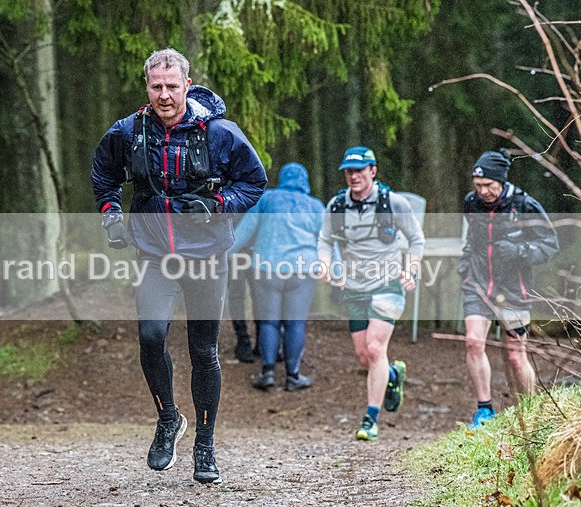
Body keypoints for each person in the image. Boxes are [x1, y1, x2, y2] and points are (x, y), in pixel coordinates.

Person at [91, 48, 267, 483]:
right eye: (157, 87)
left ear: (188, 85)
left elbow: (254, 180)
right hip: (154, 254)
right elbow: (102, 173)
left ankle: (205, 447)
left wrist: (217, 202)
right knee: (151, 337)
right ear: (147, 87)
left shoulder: (219, 132)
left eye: (172, 86)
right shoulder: (129, 132)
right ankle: (168, 418)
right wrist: (112, 214)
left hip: (207, 256)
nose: (164, 95)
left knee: (203, 350)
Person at [317, 146, 424, 441]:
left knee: (376, 349)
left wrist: (410, 271)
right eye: (349, 172)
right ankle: (392, 375)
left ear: (373, 171)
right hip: (354, 287)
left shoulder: (394, 203)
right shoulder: (337, 206)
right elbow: (325, 240)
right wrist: (325, 264)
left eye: (359, 171)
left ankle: (370, 420)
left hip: (388, 284)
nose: (353, 176)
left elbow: (416, 239)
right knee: (364, 356)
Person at [459, 149, 558, 428]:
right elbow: (472, 238)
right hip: (478, 284)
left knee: (515, 354)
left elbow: (550, 244)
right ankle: (484, 410)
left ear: (501, 181)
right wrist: (465, 265)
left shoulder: (524, 205)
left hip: (515, 289)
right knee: (473, 342)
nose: (483, 192)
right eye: (478, 186)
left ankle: (529, 411)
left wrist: (518, 251)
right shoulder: (472, 203)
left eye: (489, 185)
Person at [229, 162, 325, 391]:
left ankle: (267, 373)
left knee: (269, 322)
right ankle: (293, 376)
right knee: (295, 323)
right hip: (302, 271)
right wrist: (338, 272)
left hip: (266, 268)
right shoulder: (315, 206)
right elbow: (327, 242)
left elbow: (243, 232)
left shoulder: (266, 199)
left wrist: (218, 254)